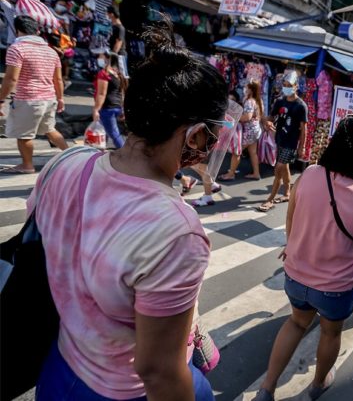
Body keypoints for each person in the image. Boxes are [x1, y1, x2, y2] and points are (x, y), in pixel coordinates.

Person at [32, 21, 228, 400]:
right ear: (197, 135)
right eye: (213, 134)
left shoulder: (68, 161)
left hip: (60, 368)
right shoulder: (177, 232)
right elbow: (159, 372)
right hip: (120, 391)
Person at [253, 115, 353, 401]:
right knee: (330, 334)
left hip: (295, 276)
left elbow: (291, 217)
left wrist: (294, 246)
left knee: (296, 323)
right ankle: (318, 384)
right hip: (335, 289)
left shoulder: (310, 173)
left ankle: (266, 389)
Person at [0, 15, 68, 174]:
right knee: (50, 129)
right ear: (37, 30)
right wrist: (60, 99)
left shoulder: (17, 49)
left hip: (28, 99)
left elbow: (11, 79)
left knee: (24, 135)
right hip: (49, 98)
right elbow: (58, 79)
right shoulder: (51, 51)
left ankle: (27, 165)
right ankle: (70, 156)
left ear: (17, 30)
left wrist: (1, 98)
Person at [258, 71, 307, 212]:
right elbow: (271, 118)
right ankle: (287, 193)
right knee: (284, 167)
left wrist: (301, 147)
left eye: (289, 85)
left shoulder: (301, 106)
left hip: (290, 143)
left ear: (296, 86)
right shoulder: (279, 101)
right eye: (284, 85)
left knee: (278, 168)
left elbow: (304, 129)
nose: (286, 87)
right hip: (279, 139)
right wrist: (265, 122)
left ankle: (270, 199)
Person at [219, 79, 263, 181]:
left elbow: (247, 117)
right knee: (252, 152)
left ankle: (231, 174)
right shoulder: (258, 100)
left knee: (236, 152)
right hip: (255, 130)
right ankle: (256, 173)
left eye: (246, 87)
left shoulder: (249, 102)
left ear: (251, 89)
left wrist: (234, 117)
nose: (244, 89)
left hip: (249, 132)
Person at [92, 52, 128, 148]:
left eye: (100, 56)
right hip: (116, 106)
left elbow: (101, 93)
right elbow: (122, 92)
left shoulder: (104, 74)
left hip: (107, 107)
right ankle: (102, 152)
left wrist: (96, 109)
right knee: (105, 131)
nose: (98, 58)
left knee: (114, 134)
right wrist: (122, 107)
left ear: (107, 59)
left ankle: (125, 154)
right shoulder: (118, 74)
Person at [106, 5, 127, 77]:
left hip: (120, 56)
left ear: (112, 14)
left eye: (108, 13)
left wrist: (111, 58)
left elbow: (118, 44)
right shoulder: (113, 26)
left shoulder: (120, 28)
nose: (107, 14)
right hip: (114, 56)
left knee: (123, 78)